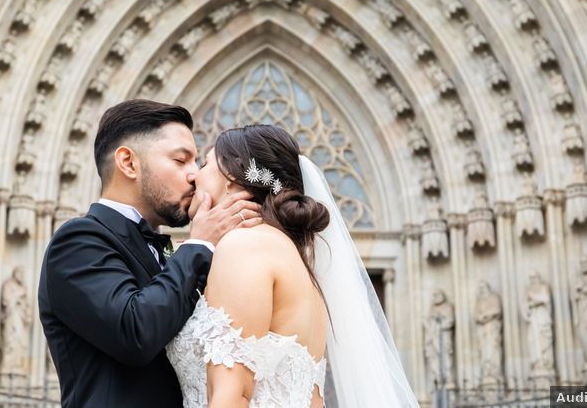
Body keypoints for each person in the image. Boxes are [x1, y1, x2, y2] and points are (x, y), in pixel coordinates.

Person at [166, 124, 419, 407]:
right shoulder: (294, 258)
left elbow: (232, 395)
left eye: (205, 163)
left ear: (230, 177)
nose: (194, 176)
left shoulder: (243, 247)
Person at [38, 99, 262, 407]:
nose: (195, 175)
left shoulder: (169, 250)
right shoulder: (77, 241)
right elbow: (135, 332)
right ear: (128, 163)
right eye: (180, 160)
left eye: (196, 162)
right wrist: (199, 246)